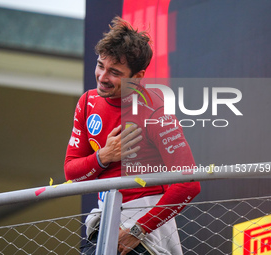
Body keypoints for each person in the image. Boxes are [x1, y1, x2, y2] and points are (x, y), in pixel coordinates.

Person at [64, 16, 201, 255]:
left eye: (114, 72)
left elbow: (188, 183)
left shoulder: (156, 111)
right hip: (103, 226)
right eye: (100, 65)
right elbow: (72, 174)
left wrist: (137, 231)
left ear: (137, 77)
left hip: (141, 238)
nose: (102, 77)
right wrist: (103, 157)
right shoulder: (87, 102)